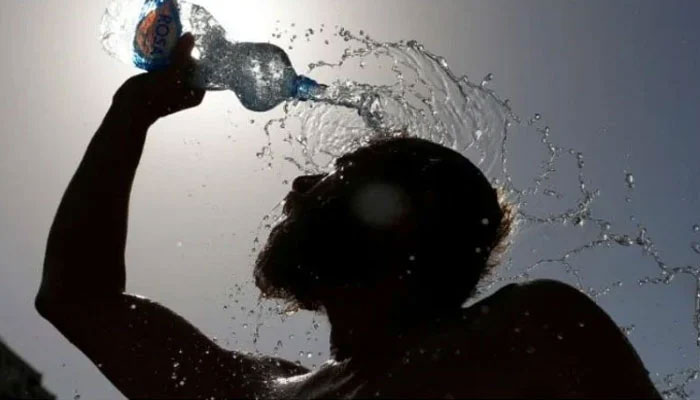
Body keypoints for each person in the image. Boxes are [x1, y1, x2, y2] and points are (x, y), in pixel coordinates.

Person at [36, 34, 661, 399]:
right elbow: (78, 300)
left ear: (401, 223)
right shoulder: (266, 392)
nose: (300, 183)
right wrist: (130, 113)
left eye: (339, 175)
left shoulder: (532, 332)